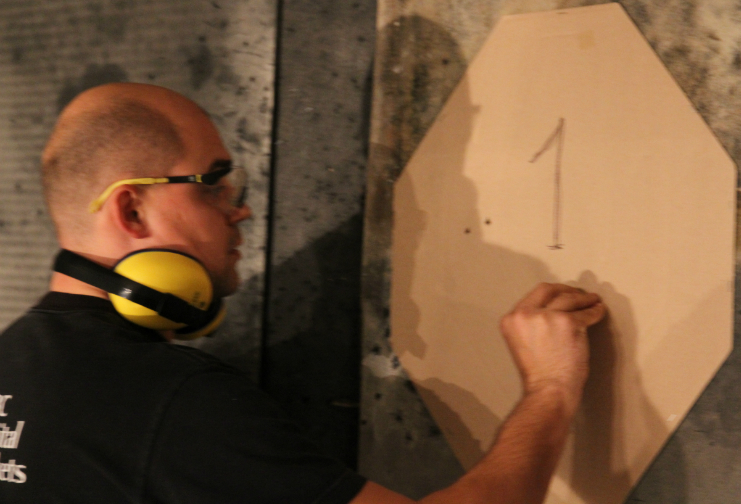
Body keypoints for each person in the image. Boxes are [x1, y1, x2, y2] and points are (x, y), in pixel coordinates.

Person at [0, 83, 606, 503]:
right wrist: (550, 389)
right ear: (132, 210)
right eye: (212, 184)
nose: (239, 209)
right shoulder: (169, 399)